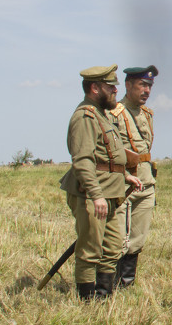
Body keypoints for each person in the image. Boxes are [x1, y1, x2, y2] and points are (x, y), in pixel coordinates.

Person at [60, 65, 141, 300]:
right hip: (92, 193)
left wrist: (125, 175)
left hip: (111, 192)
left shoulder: (101, 115)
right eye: (110, 86)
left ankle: (103, 297)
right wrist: (96, 195)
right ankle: (87, 302)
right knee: (90, 250)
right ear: (95, 88)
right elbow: (83, 160)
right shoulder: (85, 116)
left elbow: (107, 155)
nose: (115, 90)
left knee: (113, 247)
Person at [109, 65, 159, 288]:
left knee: (138, 238)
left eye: (149, 86)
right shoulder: (115, 114)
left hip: (146, 183)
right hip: (123, 183)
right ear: (128, 85)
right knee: (117, 239)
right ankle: (105, 286)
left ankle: (126, 284)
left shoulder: (147, 114)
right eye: (142, 85)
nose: (147, 90)